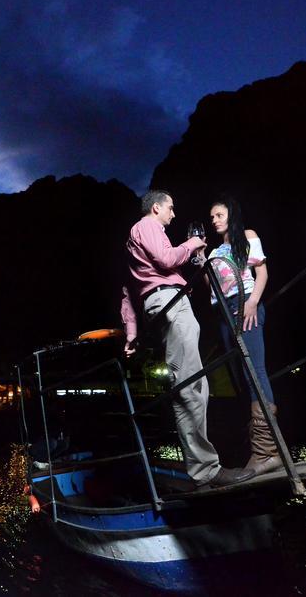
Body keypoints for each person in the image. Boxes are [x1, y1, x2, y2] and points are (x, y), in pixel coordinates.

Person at [121, 190, 255, 489]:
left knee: (190, 385)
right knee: (192, 386)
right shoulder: (148, 226)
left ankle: (201, 467)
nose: (173, 214)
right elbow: (168, 259)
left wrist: (131, 333)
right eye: (170, 208)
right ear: (156, 208)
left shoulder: (136, 238)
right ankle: (207, 470)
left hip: (161, 305)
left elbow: (128, 292)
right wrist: (194, 243)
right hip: (169, 302)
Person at [206, 195, 281, 474]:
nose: (214, 220)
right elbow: (211, 288)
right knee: (239, 374)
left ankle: (267, 453)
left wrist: (252, 303)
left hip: (245, 301)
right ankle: (258, 450)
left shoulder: (247, 236)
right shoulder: (213, 252)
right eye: (212, 216)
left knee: (254, 370)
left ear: (231, 216)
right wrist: (202, 261)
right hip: (223, 312)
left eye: (219, 215)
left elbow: (261, 273)